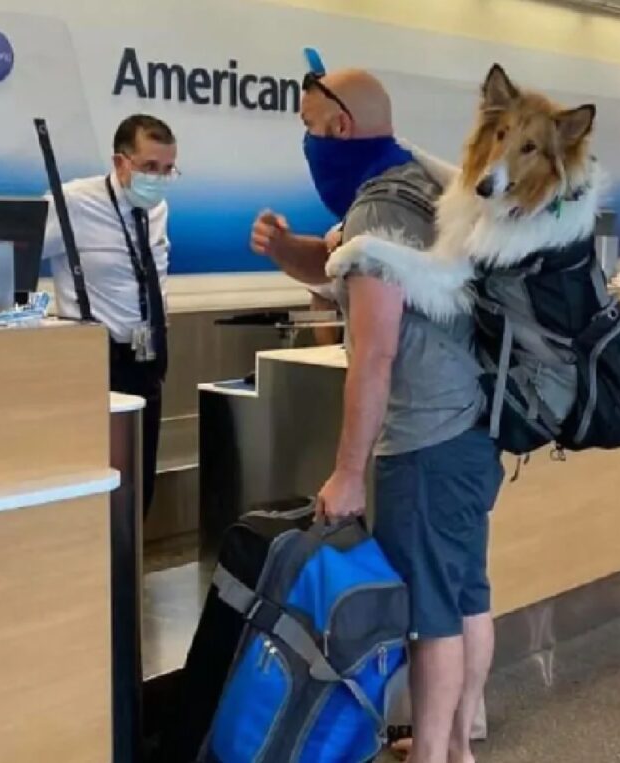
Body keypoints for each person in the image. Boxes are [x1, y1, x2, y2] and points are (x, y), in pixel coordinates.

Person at [250, 69, 503, 763]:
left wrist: (347, 470)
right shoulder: (420, 188)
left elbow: (376, 353)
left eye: (308, 125)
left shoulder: (378, 210)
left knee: (430, 617)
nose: (307, 141)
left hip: (422, 439)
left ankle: (432, 755)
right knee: (464, 592)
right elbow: (339, 266)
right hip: (472, 428)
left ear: (336, 127)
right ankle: (455, 746)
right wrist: (282, 249)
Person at [43, 114, 178, 516]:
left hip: (148, 358)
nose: (159, 178)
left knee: (141, 478)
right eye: (150, 167)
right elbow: (16, 251)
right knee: (98, 478)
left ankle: (133, 569)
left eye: (168, 169)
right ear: (121, 163)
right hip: (98, 360)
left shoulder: (157, 208)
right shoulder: (73, 202)